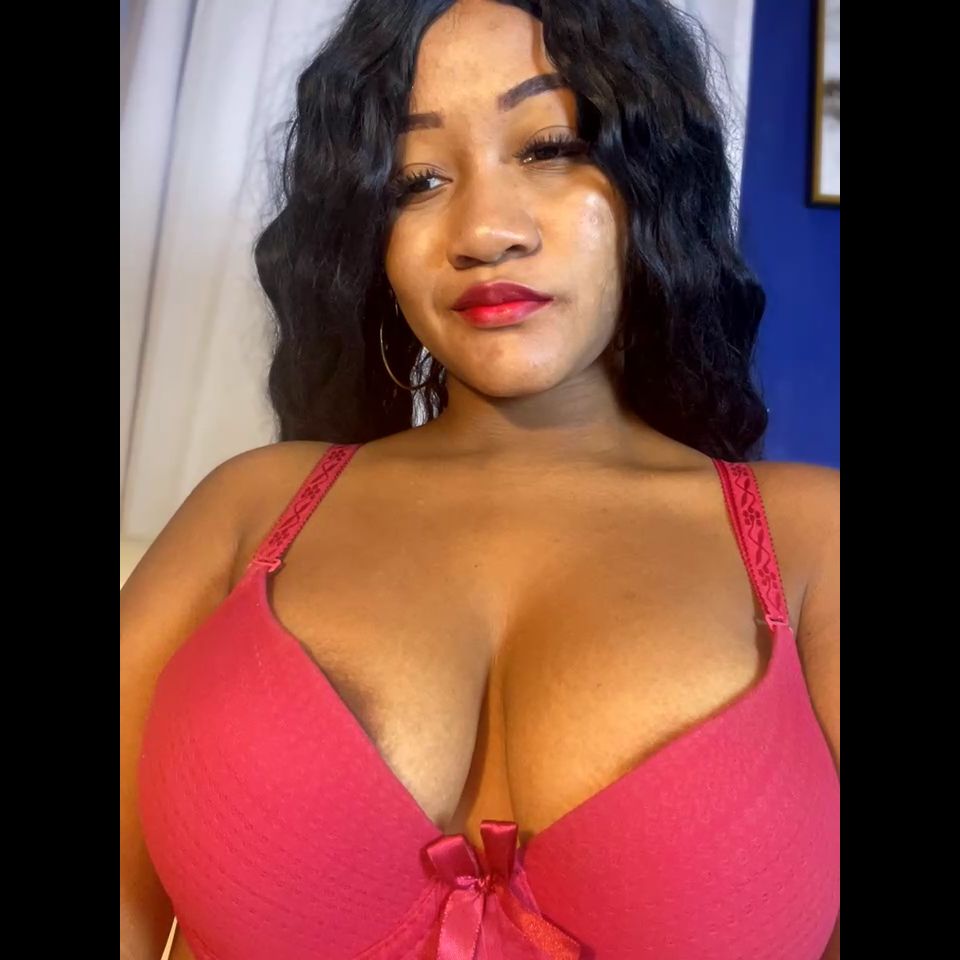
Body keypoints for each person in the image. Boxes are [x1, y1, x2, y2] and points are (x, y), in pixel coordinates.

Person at [120, 1, 840, 957]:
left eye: (549, 148)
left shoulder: (814, 545)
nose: (484, 231)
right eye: (417, 179)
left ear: (653, 180)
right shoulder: (245, 512)